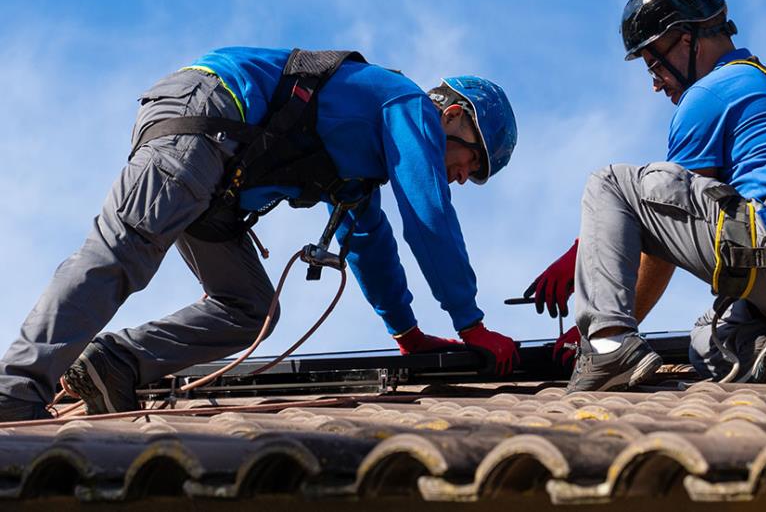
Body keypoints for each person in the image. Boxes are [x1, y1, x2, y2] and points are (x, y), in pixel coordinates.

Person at [0, 47, 520, 421]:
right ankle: (15, 388)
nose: (461, 176)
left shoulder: (362, 167)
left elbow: (370, 241)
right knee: (121, 253)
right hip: (207, 119)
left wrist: (406, 334)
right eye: (470, 161)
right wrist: (470, 323)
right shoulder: (407, 106)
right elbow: (429, 216)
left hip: (221, 177)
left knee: (249, 309)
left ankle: (116, 365)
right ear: (452, 115)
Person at [526, 0, 766, 391]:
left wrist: (592, 326)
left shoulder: (711, 93)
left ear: (685, 39)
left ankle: (607, 348)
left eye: (654, 63)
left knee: (608, 183)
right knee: (706, 342)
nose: (656, 84)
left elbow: (660, 233)